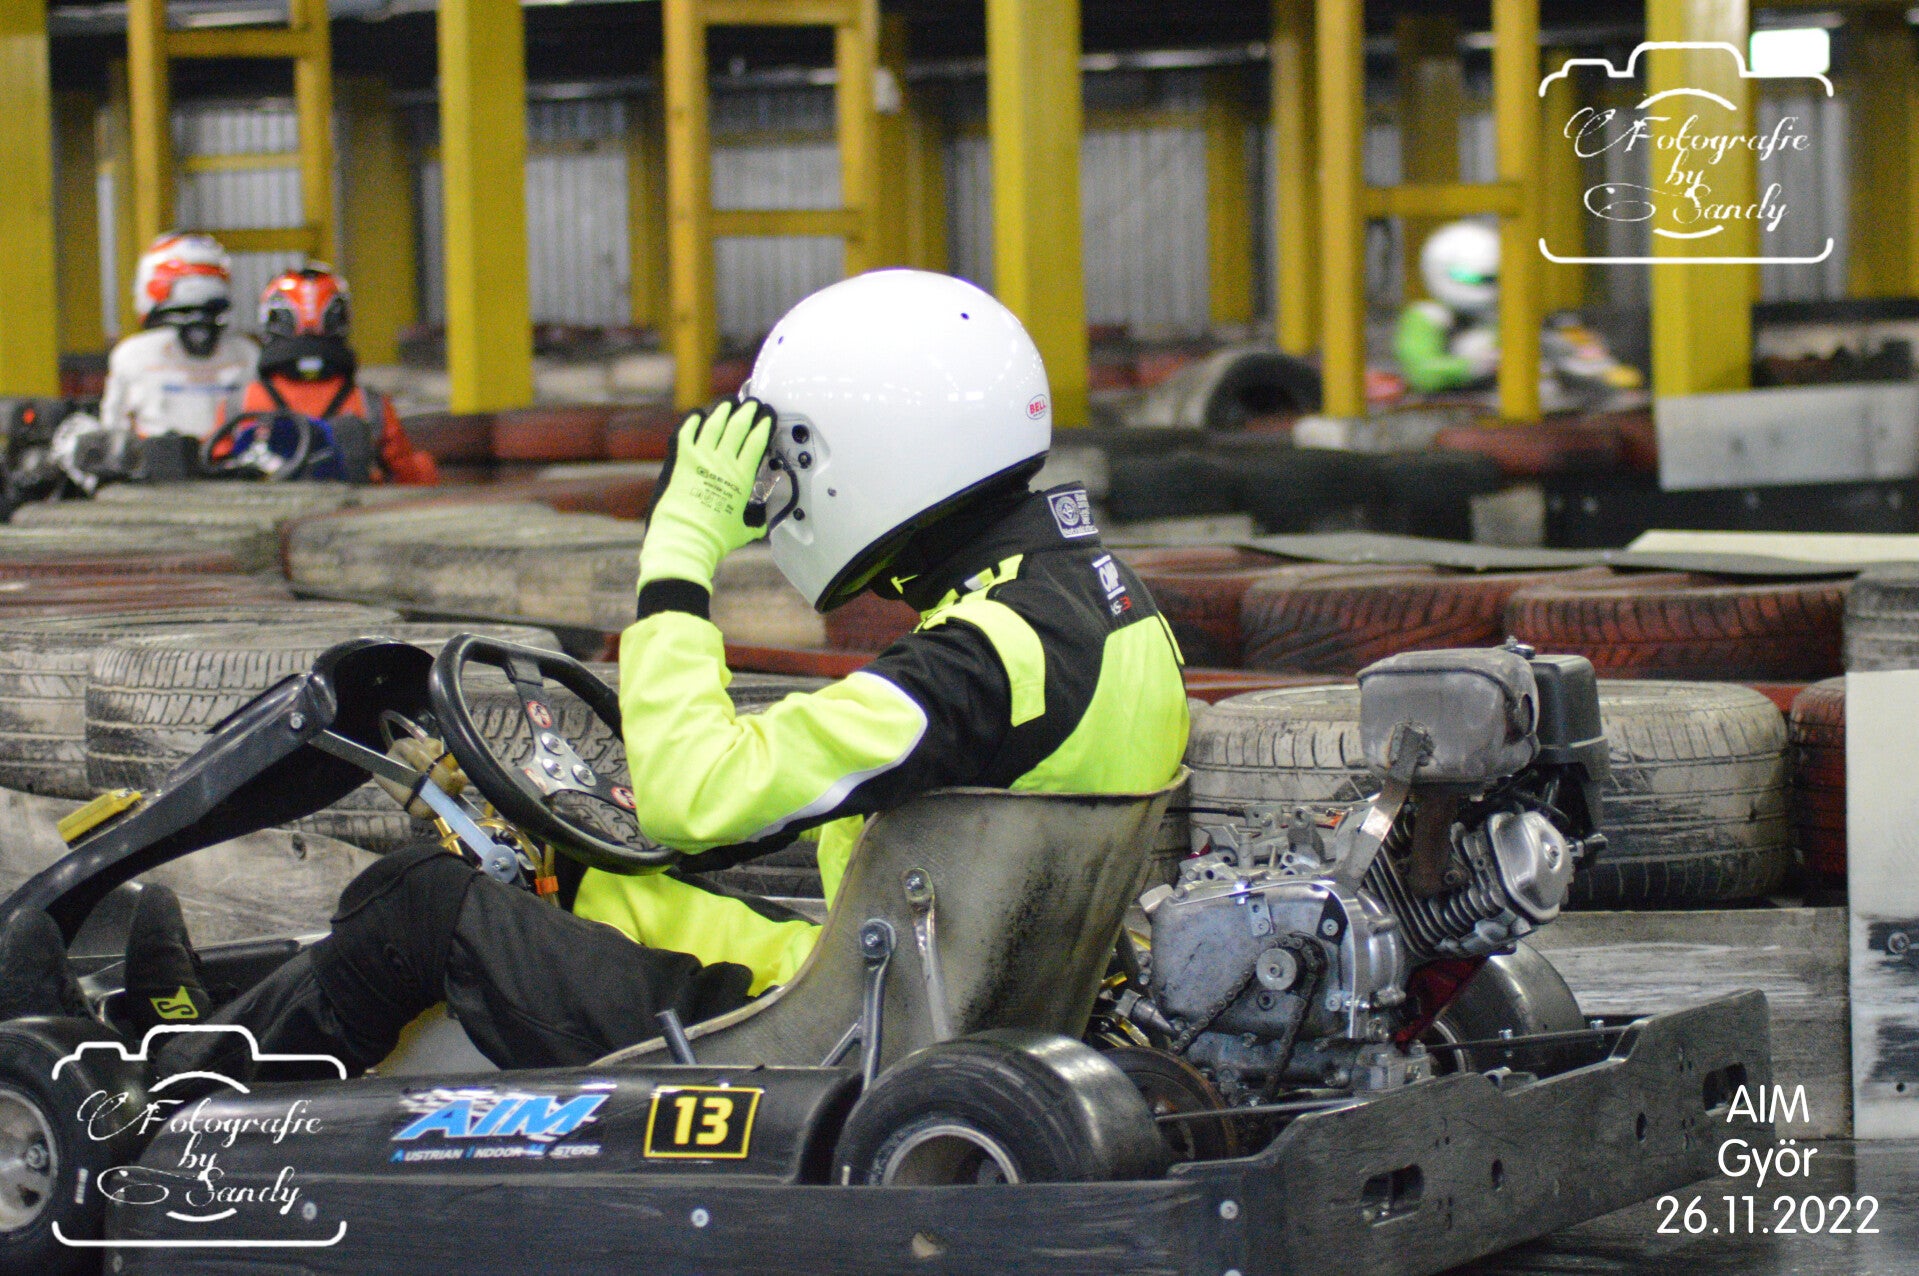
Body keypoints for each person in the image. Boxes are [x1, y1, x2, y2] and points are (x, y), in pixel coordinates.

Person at [0, 270, 1190, 1075]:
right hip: (939, 987)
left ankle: (164, 1096)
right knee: (563, 876)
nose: (775, 501)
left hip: (835, 1041)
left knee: (421, 904)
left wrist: (676, 557)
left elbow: (687, 794)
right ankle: (206, 1034)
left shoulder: (988, 656)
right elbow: (796, 789)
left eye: (783, 468)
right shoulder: (1096, 607)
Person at [1393, 218, 1643, 406]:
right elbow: (1422, 371)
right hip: (1461, 403)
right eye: (1474, 278)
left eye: (1494, 277)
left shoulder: (1509, 311)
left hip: (1528, 402)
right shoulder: (1428, 317)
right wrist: (1476, 365)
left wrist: (1571, 351)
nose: (1487, 286)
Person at [238, 266, 438, 485]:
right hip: (350, 507)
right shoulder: (369, 405)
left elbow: (214, 470)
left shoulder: (241, 403)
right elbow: (412, 477)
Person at [100, 233, 258, 441]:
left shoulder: (132, 353)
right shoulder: (247, 352)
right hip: (228, 459)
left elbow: (113, 430)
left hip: (162, 460)